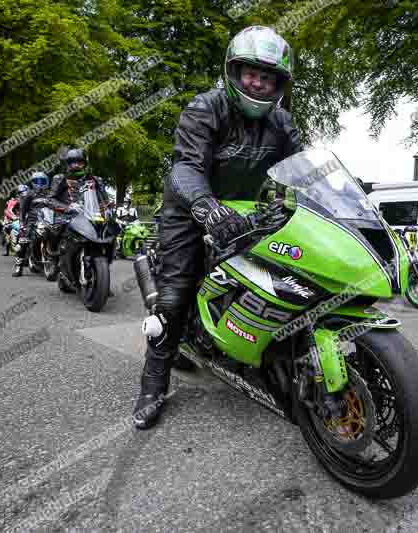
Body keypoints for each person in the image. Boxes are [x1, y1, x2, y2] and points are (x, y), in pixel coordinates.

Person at [132, 25, 303, 430]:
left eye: (267, 77)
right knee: (174, 295)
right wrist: (207, 208)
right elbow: (186, 166)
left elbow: (302, 169)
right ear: (234, 72)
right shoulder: (205, 108)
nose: (258, 84)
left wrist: (335, 196)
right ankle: (153, 385)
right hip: (190, 209)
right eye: (251, 74)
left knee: (288, 276)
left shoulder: (282, 122)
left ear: (279, 84)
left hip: (246, 212)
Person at [45, 148, 116, 290]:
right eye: (73, 162)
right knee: (53, 229)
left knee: (110, 233)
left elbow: (104, 199)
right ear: (68, 164)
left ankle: (102, 275)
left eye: (79, 162)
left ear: (85, 163)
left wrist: (107, 208)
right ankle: (53, 259)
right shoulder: (60, 179)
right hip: (67, 215)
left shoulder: (96, 180)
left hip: (91, 214)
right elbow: (50, 199)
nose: (76, 165)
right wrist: (67, 207)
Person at [12, 172, 51, 277]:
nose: (39, 184)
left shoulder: (51, 194)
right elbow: (23, 211)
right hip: (32, 221)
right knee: (23, 241)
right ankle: (18, 267)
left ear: (47, 182)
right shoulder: (28, 194)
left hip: (48, 220)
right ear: (32, 182)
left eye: (42, 181)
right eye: (37, 181)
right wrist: (22, 224)